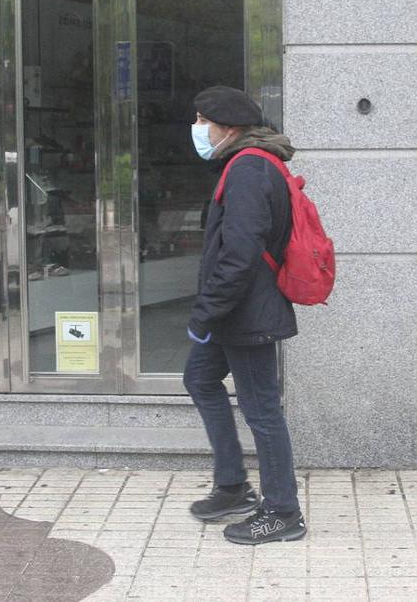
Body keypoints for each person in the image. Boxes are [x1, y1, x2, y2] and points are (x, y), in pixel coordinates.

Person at [182, 85, 306, 545]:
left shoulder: (250, 169)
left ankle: (282, 511)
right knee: (199, 379)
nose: (196, 129)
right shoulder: (243, 164)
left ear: (227, 127)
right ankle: (233, 486)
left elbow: (240, 255)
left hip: (246, 313)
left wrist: (205, 313)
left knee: (262, 411)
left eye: (201, 121)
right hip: (234, 311)